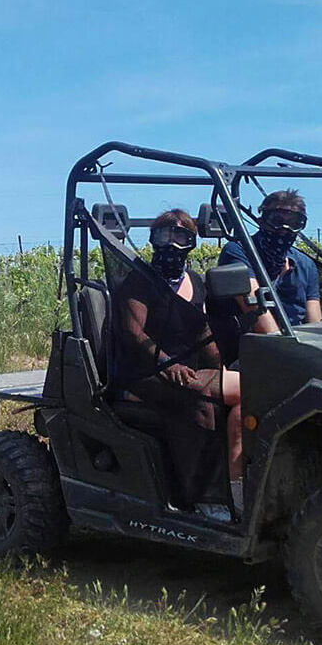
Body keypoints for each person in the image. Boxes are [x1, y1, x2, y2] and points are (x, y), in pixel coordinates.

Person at [111, 209, 244, 517]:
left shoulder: (195, 282)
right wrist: (167, 364)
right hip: (144, 373)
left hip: (188, 369)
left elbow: (203, 331)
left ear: (191, 243)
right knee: (202, 401)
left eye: (180, 237)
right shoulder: (139, 281)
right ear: (152, 240)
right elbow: (133, 334)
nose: (171, 245)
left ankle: (238, 487)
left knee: (252, 392)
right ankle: (204, 498)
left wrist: (221, 367)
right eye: (164, 236)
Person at [218, 189, 322, 331]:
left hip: (299, 339)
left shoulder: (306, 265)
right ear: (261, 222)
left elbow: (315, 323)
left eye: (294, 223)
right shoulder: (239, 252)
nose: (284, 229)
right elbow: (256, 311)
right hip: (253, 340)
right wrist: (284, 343)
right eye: (277, 221)